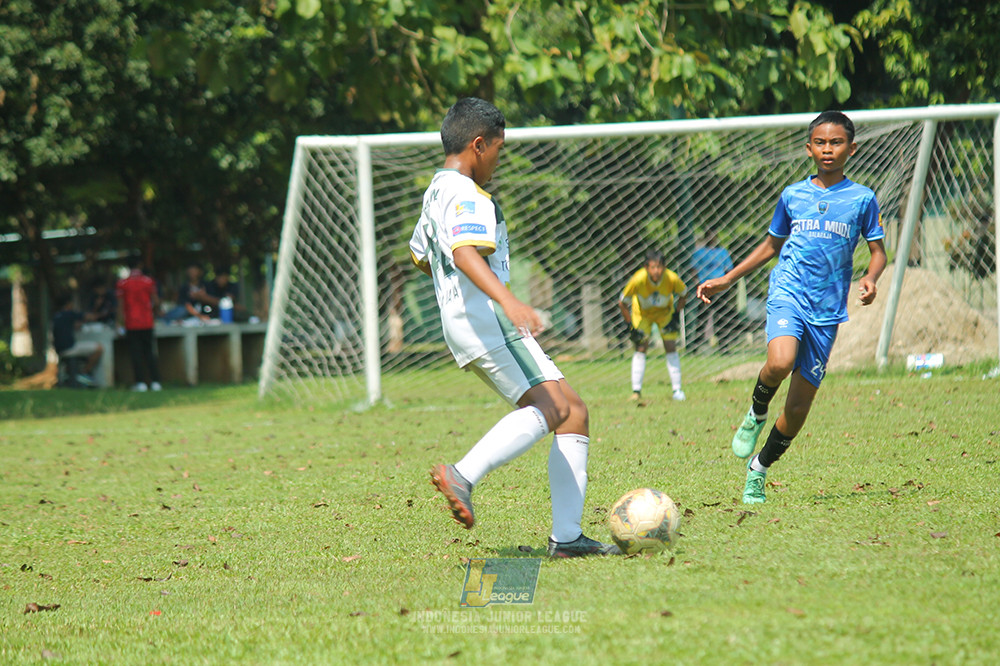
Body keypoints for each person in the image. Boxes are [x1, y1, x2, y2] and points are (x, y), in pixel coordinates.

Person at [411, 97, 618, 558]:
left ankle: (567, 539)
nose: (498, 164)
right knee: (554, 408)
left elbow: (424, 258)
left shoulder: (436, 191)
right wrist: (508, 300)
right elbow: (464, 253)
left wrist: (455, 294)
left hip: (467, 319)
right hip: (488, 319)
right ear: (478, 145)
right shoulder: (467, 193)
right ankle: (462, 474)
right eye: (498, 152)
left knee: (574, 411)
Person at [696, 110, 887, 504]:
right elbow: (771, 246)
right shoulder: (792, 195)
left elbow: (877, 252)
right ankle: (756, 410)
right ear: (808, 148)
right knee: (780, 362)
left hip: (828, 310)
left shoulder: (862, 198)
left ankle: (759, 468)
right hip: (789, 293)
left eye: (836, 143)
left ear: (852, 149)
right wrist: (729, 278)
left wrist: (870, 278)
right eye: (820, 142)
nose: (828, 149)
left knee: (798, 409)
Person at [617, 249, 687, 402]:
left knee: (670, 346)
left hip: (664, 313)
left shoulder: (671, 278)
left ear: (665, 267)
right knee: (641, 347)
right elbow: (622, 302)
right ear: (646, 267)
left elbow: (683, 294)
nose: (656, 271)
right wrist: (630, 326)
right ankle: (636, 391)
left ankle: (677, 390)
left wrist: (676, 315)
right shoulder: (638, 280)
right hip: (643, 314)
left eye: (660, 267)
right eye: (653, 267)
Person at [117, 255, 163, 391]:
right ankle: (155, 382)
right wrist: (153, 312)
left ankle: (140, 383)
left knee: (136, 354)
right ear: (140, 265)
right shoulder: (148, 281)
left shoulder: (122, 284)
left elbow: (120, 306)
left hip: (131, 323)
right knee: (149, 352)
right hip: (147, 322)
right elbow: (156, 302)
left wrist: (119, 323)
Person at [690, 231, 735, 351]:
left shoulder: (722, 252)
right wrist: (698, 283)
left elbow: (728, 270)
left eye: (714, 236)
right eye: (709, 235)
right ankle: (696, 345)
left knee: (721, 318)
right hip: (705, 289)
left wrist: (725, 284)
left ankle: (723, 345)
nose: (712, 238)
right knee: (702, 318)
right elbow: (693, 269)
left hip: (720, 290)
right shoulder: (699, 253)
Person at [52, 292, 103, 387]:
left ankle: (78, 374)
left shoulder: (56, 316)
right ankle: (83, 373)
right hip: (69, 348)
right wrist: (98, 308)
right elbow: (91, 317)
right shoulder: (69, 314)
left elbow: (73, 326)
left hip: (59, 350)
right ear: (68, 304)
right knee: (99, 348)